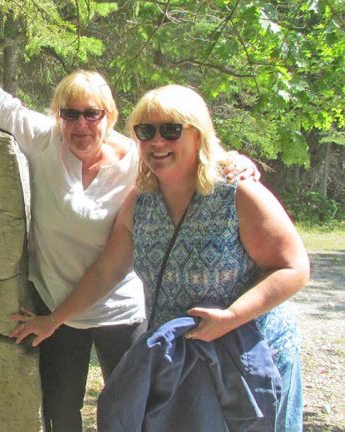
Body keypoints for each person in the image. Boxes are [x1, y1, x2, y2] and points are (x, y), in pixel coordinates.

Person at [0, 2, 259, 430]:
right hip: (55, 309)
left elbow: (190, 154)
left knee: (132, 411)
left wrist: (235, 160)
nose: (80, 125)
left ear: (110, 116)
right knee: (61, 415)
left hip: (121, 312)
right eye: (70, 113)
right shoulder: (45, 141)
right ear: (58, 116)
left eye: (91, 114)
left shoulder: (140, 159)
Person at [21, 84, 309, 431]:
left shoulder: (237, 193)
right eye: (146, 131)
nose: (157, 141)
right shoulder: (141, 201)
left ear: (197, 133)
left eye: (171, 130)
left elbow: (293, 267)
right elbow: (106, 271)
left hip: (248, 357)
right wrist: (53, 320)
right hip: (184, 362)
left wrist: (232, 316)